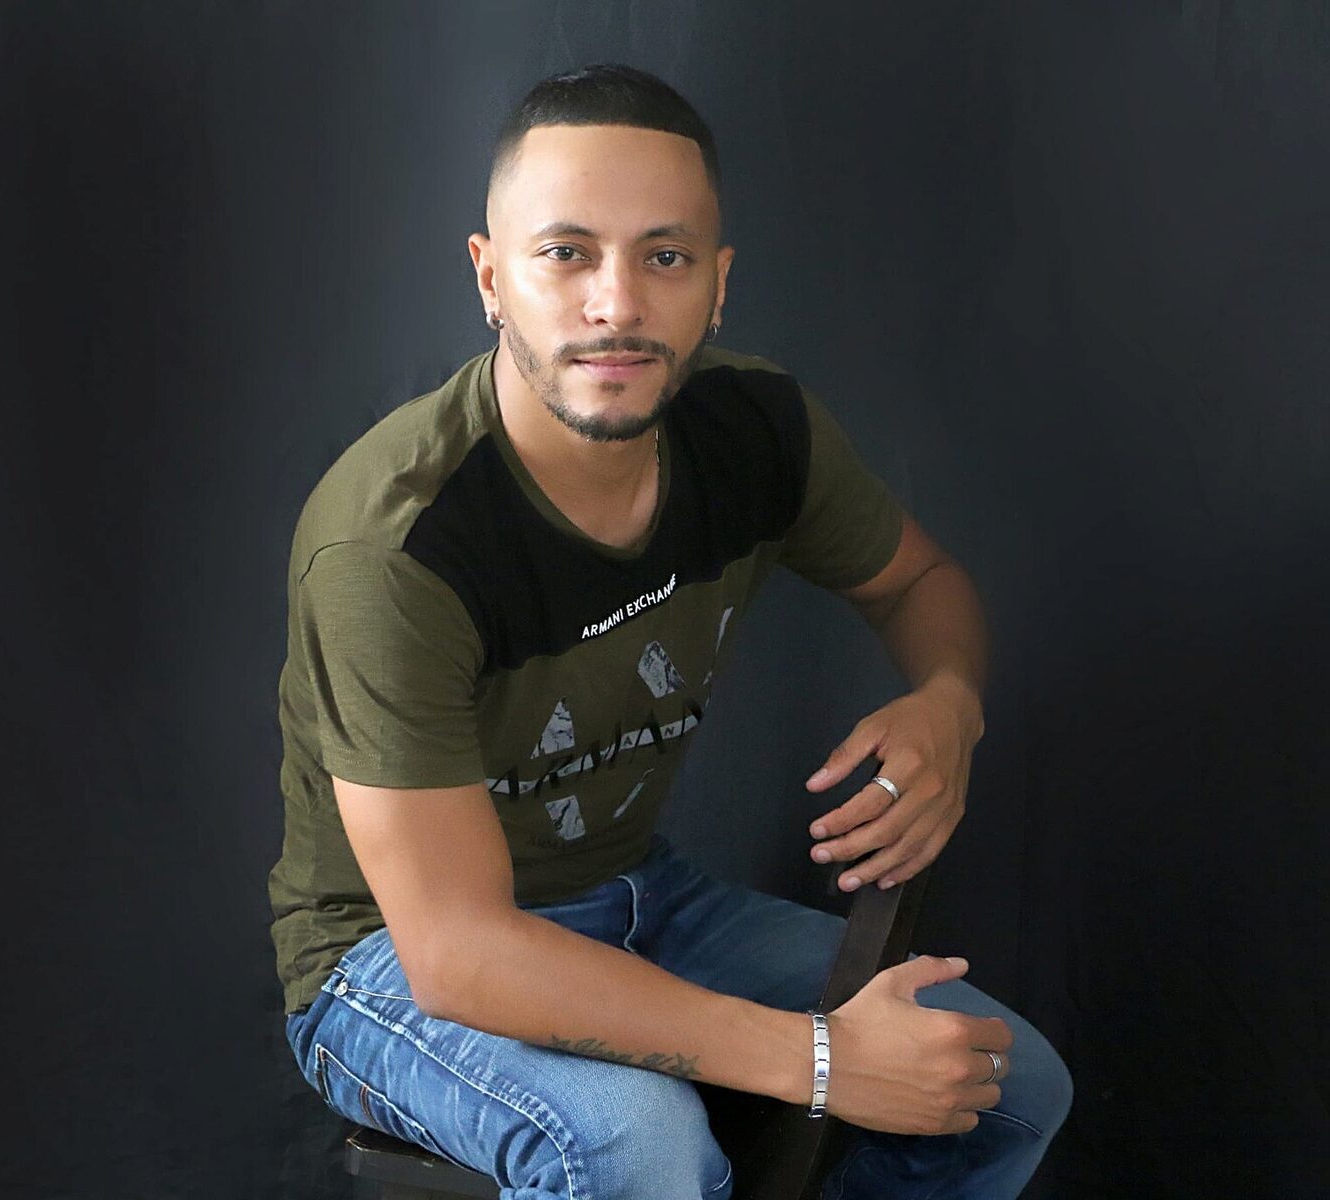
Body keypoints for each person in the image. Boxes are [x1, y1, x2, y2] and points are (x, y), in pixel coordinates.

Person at [270, 62, 1071, 1199]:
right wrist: (825, 1060)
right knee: (639, 1146)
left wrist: (951, 701)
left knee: (999, 1085)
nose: (617, 305)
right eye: (566, 253)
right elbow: (458, 954)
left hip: (638, 895)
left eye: (664, 257)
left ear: (717, 283)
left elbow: (919, 582)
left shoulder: (757, 430)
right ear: (490, 278)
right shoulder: (395, 545)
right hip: (385, 960)